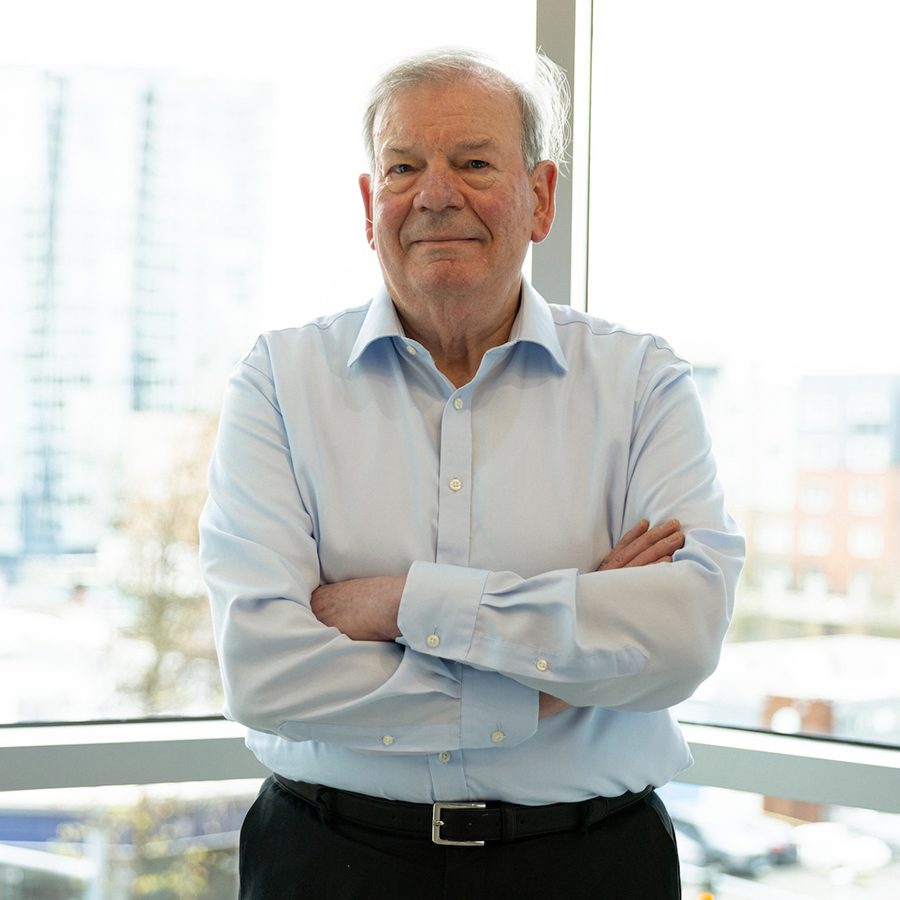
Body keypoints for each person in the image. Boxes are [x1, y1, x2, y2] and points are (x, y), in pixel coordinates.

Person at [199, 47, 744, 899]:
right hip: (328, 861)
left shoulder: (642, 382)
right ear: (370, 203)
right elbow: (266, 672)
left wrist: (397, 604)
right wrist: (554, 683)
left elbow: (679, 639)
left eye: (475, 163)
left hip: (592, 864)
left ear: (541, 197)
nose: (436, 193)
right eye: (404, 166)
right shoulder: (278, 379)